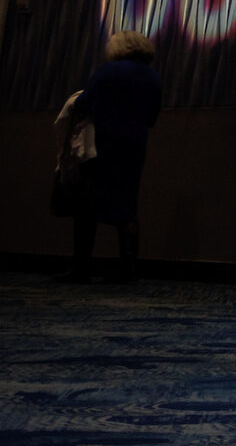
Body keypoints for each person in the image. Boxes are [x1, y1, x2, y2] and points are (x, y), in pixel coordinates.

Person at [62, 30, 162, 284]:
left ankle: (81, 267)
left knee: (88, 205)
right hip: (134, 147)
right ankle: (129, 269)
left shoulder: (108, 72)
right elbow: (151, 118)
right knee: (127, 205)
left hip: (101, 145)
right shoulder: (152, 77)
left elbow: (83, 104)